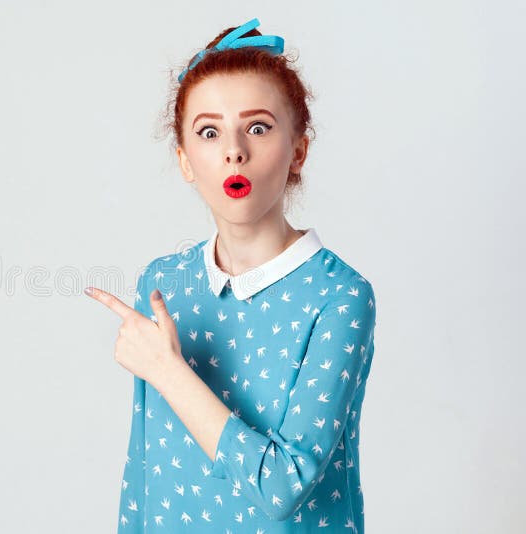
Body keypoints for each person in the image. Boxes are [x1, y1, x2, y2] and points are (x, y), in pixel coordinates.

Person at [84, 17, 377, 533]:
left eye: (257, 127)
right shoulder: (164, 282)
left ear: (298, 152)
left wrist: (169, 371)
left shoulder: (339, 296)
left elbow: (283, 486)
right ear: (185, 161)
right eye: (210, 131)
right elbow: (145, 475)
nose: (233, 151)